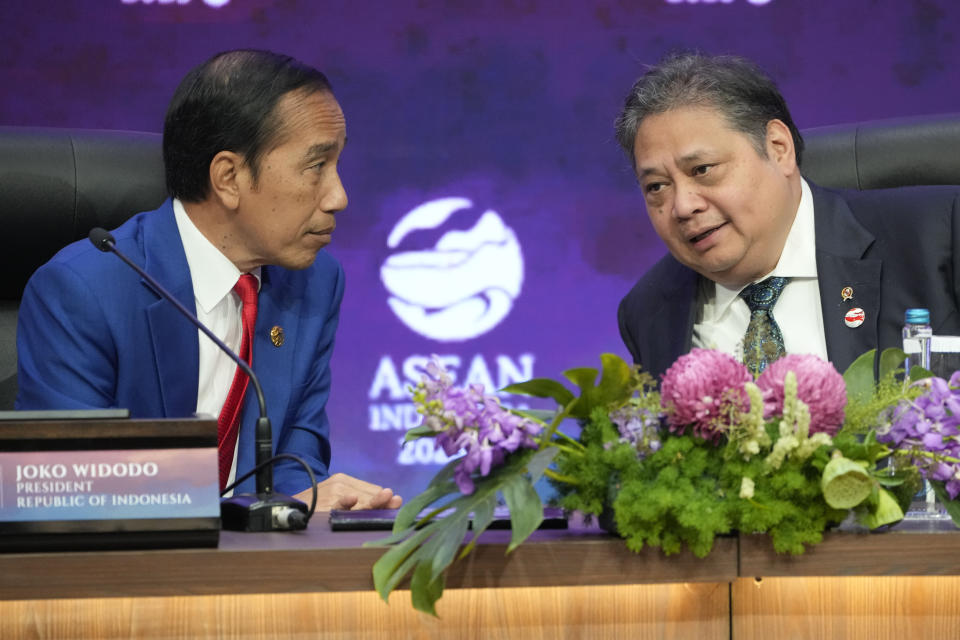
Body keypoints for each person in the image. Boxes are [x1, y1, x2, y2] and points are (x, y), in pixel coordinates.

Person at [16, 50, 402, 510]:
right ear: (228, 177)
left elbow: (296, 463)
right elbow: (69, 491)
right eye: (316, 166)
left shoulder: (316, 282)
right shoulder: (82, 290)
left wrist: (314, 504)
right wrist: (240, 516)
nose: (339, 196)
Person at [615, 52, 960, 379]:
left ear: (778, 148)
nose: (683, 206)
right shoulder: (650, 311)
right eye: (657, 187)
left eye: (702, 169)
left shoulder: (939, 237)